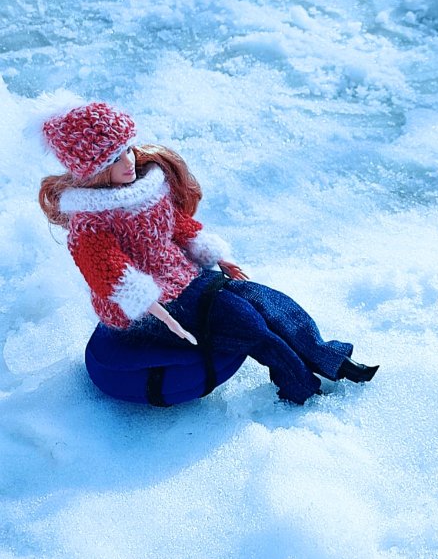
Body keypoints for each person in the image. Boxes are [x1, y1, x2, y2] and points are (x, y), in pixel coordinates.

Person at [36, 97, 378, 405]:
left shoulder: (146, 188)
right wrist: (156, 311)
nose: (128, 162)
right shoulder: (90, 224)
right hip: (147, 308)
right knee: (251, 326)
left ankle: (333, 359)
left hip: (186, 277)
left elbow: (177, 225)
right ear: (93, 171)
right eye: (113, 159)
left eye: (128, 149)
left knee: (266, 300)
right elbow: (108, 271)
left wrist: (217, 256)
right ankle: (301, 389)